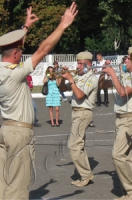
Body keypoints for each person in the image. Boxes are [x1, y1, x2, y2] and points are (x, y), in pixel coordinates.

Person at [0, 3, 78, 199]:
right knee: (18, 185)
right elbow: (43, 50)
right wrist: (62, 25)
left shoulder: (3, 70)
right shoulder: (15, 73)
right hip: (19, 133)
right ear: (16, 55)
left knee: (4, 182)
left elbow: (13, 50)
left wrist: (25, 27)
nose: (20, 53)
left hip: (6, 130)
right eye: (19, 50)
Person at [99, 47, 132, 200]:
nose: (125, 60)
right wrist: (103, 72)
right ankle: (128, 192)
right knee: (125, 155)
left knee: (117, 154)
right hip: (120, 117)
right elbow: (102, 86)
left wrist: (113, 74)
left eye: (128, 58)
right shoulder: (126, 74)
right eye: (125, 57)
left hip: (129, 117)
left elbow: (122, 92)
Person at [61, 51, 98, 187]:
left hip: (84, 112)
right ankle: (85, 175)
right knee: (79, 145)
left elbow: (80, 95)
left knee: (73, 145)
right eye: (78, 63)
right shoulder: (78, 76)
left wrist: (71, 79)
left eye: (81, 63)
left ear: (89, 64)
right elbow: (62, 88)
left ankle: (86, 175)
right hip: (76, 112)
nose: (78, 66)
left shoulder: (92, 78)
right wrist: (62, 76)